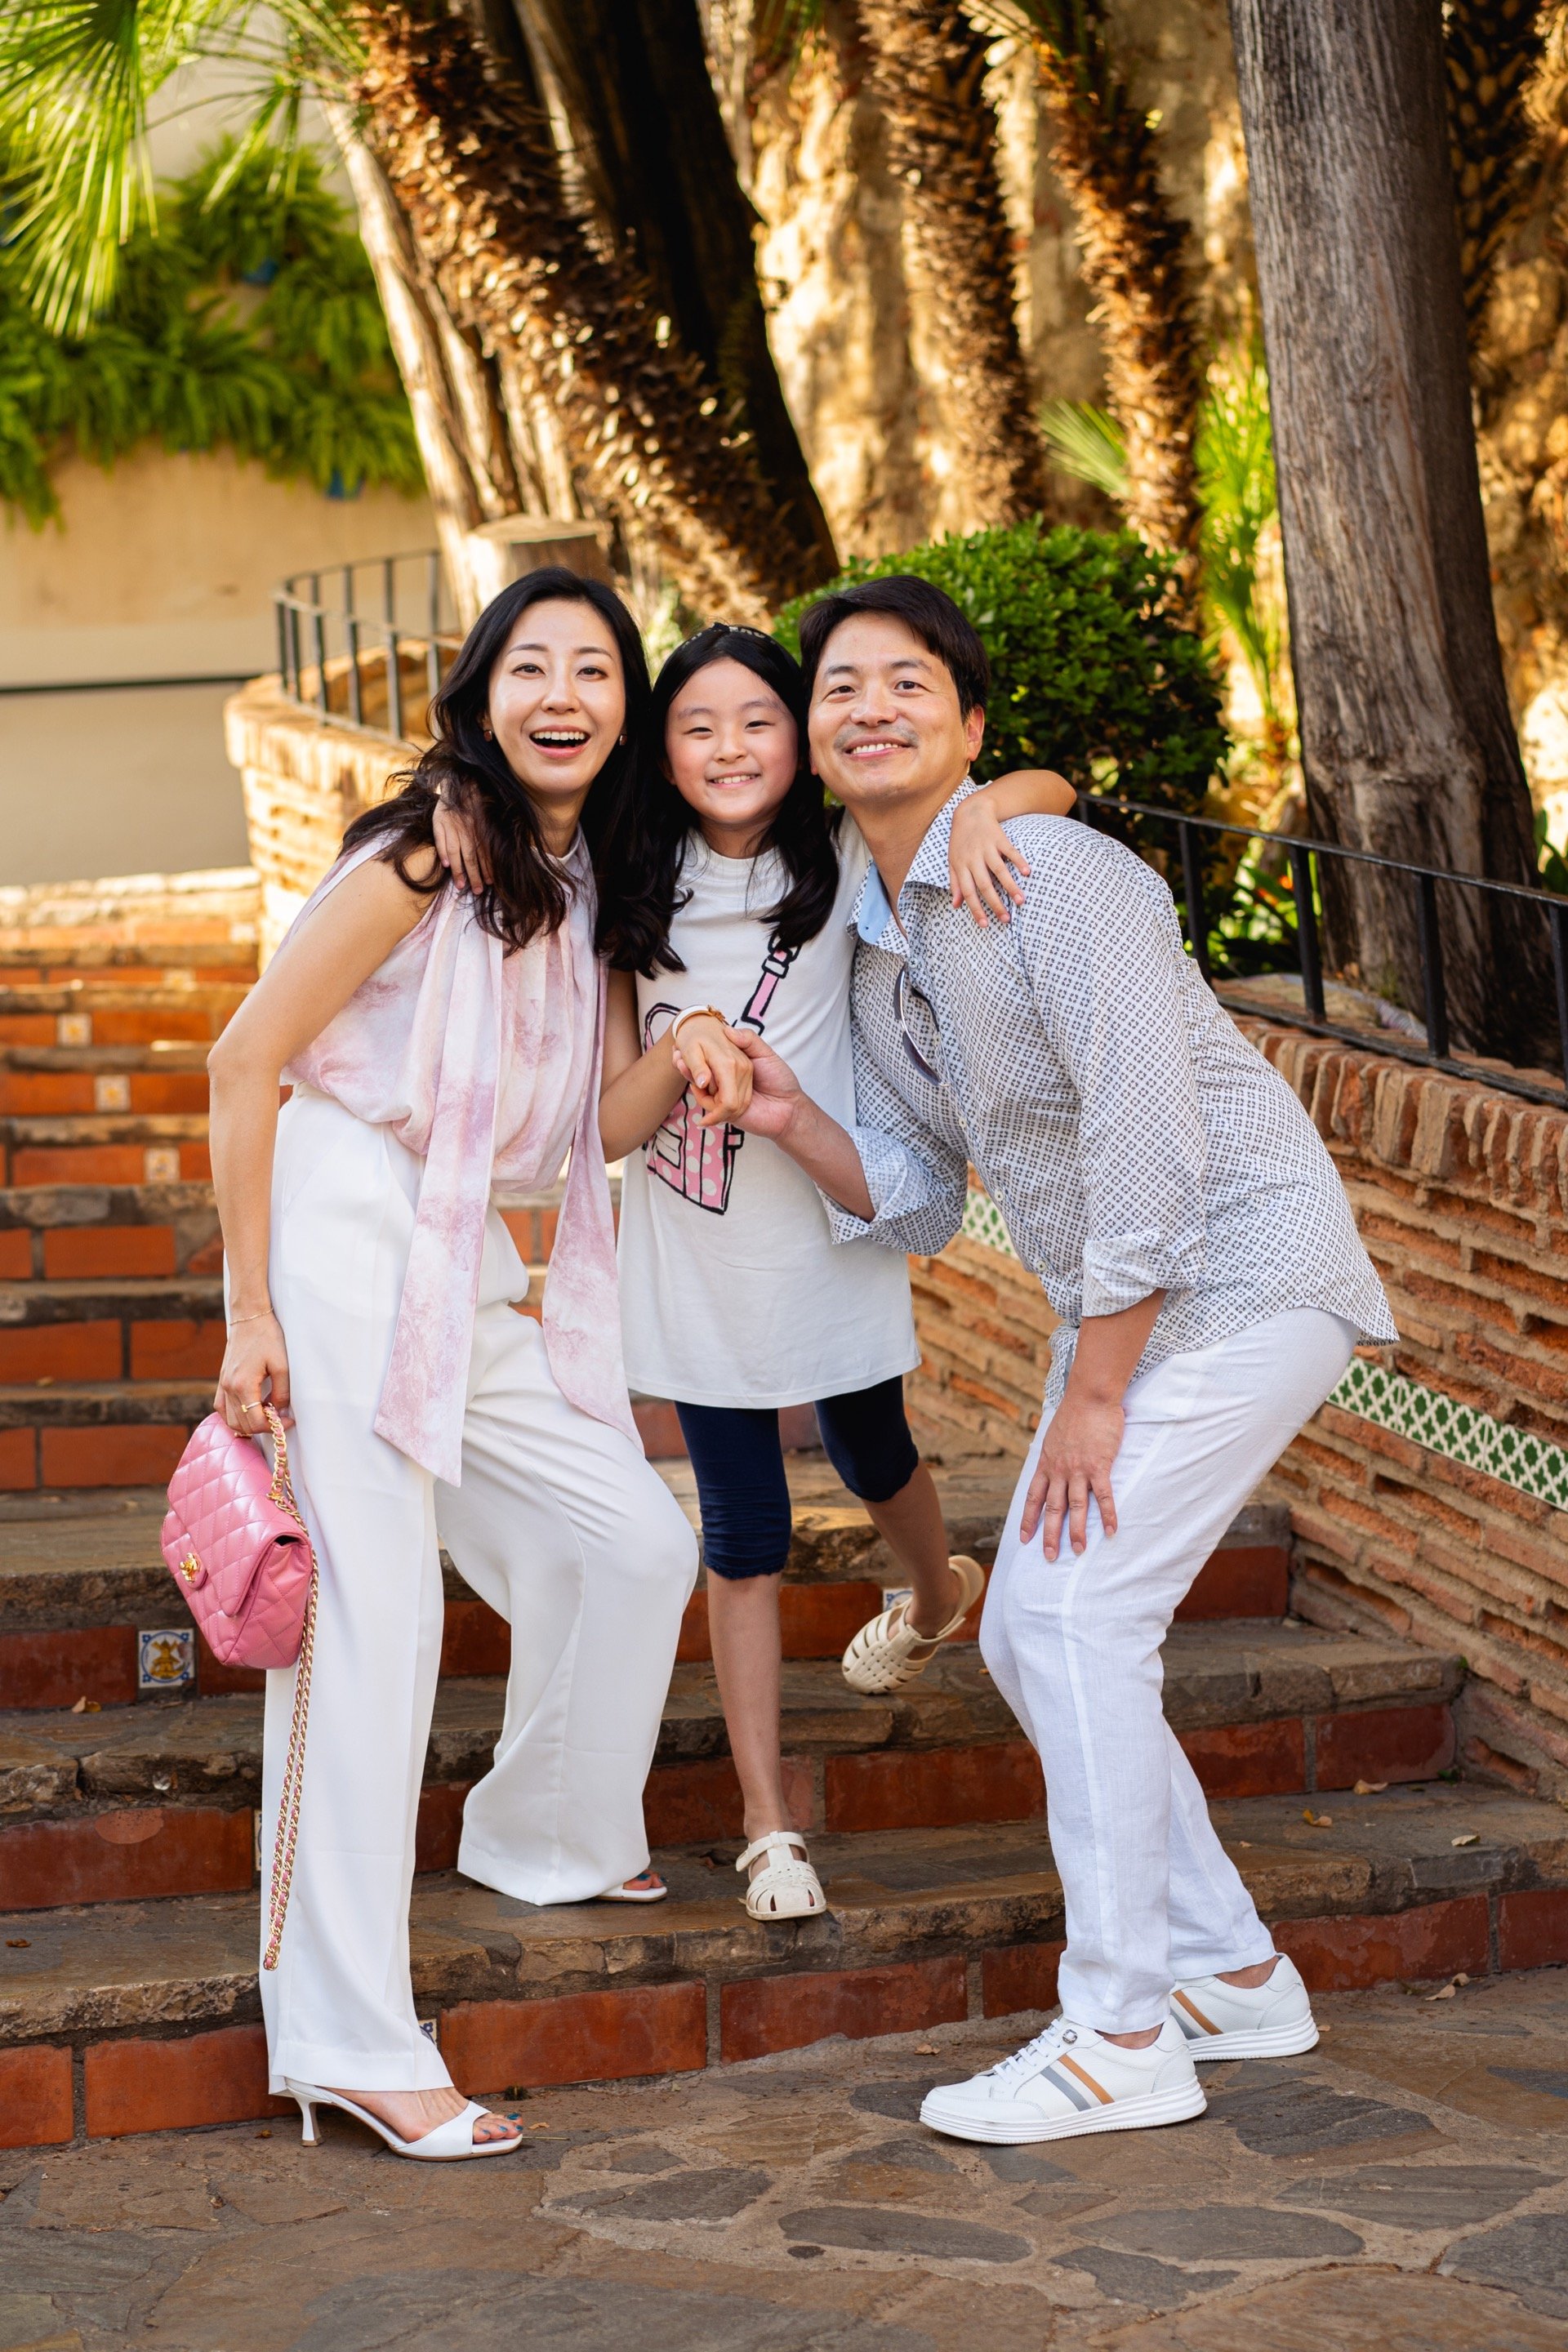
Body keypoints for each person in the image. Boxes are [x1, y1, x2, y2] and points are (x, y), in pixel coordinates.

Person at [726, 574, 1398, 2144]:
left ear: (968, 727)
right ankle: (1233, 1974)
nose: (868, 707)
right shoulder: (880, 951)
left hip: (1242, 1271)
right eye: (841, 688)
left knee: (1082, 1613)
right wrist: (789, 1119)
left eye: (909, 685)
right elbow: (914, 1191)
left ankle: (1120, 2030)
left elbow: (1151, 1140)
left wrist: (1093, 1395)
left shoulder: (1056, 874)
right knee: (1031, 1636)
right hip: (1136, 1304)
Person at [436, 622, 1076, 1922]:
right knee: (742, 1531)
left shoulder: (844, 853)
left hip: (824, 1231)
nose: (731, 748)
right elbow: (599, 1135)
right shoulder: (626, 883)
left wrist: (980, 814)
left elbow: (1050, 790)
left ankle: (940, 1589)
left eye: (759, 721)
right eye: (697, 726)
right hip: (692, 1258)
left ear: (799, 738)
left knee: (873, 1449)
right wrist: (684, 1051)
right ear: (661, 753)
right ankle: (768, 1826)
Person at [207, 568, 726, 2161]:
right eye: (532, 666)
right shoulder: (428, 853)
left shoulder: (594, 889)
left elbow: (590, 1134)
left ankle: (542, 1830)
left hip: (468, 1255)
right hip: (354, 1222)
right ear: (486, 695)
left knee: (637, 1537)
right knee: (377, 1629)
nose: (563, 693)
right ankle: (348, 2038)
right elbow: (245, 1057)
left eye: (594, 669)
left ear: (624, 710)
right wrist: (248, 1315)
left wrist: (687, 1061)